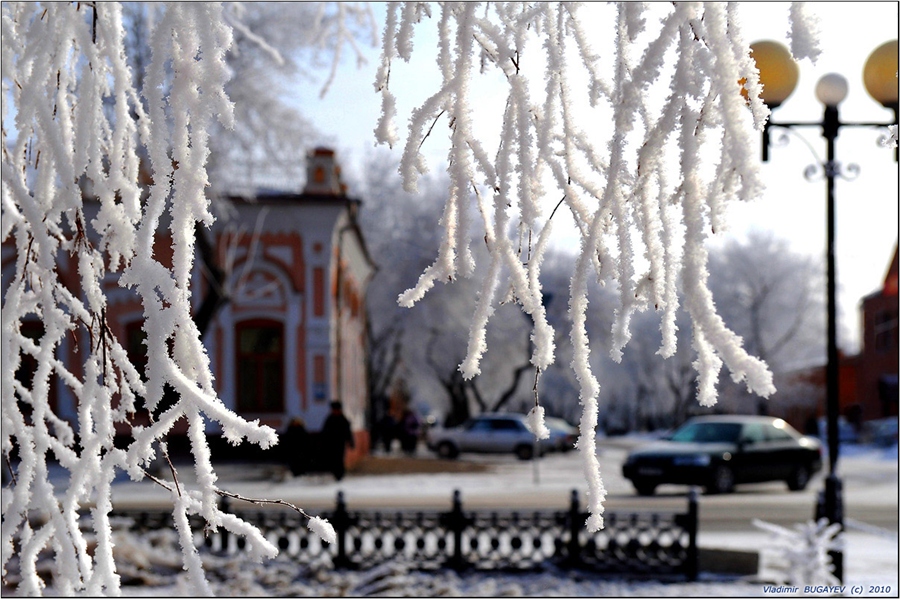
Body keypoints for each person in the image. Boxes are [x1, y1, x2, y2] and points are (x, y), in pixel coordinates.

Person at [321, 401, 355, 481]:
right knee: (333, 459)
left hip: (340, 443)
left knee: (339, 458)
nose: (335, 411)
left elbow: (347, 432)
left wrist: (351, 442)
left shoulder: (343, 419)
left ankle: (340, 474)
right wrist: (324, 442)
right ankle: (336, 474)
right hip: (331, 444)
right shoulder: (329, 419)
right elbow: (325, 432)